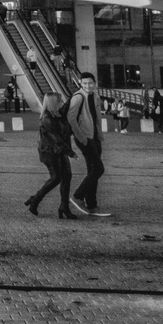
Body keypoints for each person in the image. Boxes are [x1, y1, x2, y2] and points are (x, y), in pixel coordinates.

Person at [24, 90, 76, 219]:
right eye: (59, 101)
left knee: (67, 176)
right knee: (56, 177)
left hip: (59, 150)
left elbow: (67, 106)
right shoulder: (47, 118)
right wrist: (70, 152)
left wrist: (75, 95)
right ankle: (35, 200)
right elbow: (56, 138)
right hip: (49, 151)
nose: (61, 103)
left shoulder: (58, 114)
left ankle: (64, 206)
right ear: (53, 103)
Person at [66, 72, 111, 216]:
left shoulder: (95, 95)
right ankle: (77, 196)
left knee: (93, 170)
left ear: (94, 83)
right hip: (85, 138)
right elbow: (71, 118)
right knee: (98, 169)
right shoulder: (78, 97)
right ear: (80, 83)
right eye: (84, 83)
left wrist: (98, 136)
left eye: (90, 83)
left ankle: (92, 205)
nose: (87, 85)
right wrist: (82, 138)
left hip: (95, 137)